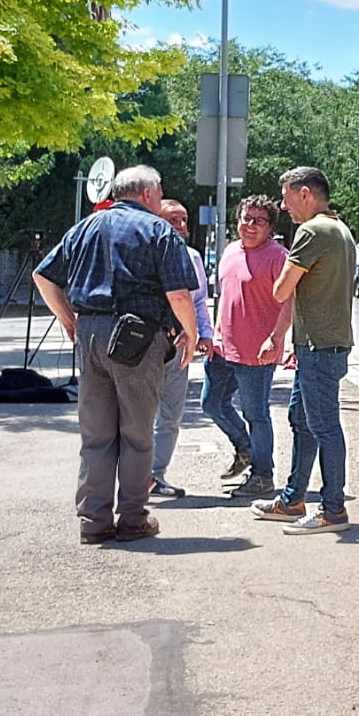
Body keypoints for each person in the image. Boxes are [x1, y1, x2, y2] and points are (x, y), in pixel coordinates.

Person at [32, 166, 199, 544]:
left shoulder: (85, 227)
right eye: (159, 193)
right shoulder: (159, 231)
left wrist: (70, 320)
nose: (159, 200)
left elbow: (43, 277)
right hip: (138, 337)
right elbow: (178, 294)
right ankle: (133, 518)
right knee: (138, 433)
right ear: (146, 194)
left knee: (96, 433)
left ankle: (93, 521)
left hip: (90, 333)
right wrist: (190, 333)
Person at [251, 166, 357, 535]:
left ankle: (333, 511)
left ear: (306, 194)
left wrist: (283, 279)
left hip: (319, 347)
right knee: (301, 419)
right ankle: (293, 499)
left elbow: (282, 290)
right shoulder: (341, 230)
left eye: (287, 196)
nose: (284, 205)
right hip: (321, 344)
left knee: (324, 426)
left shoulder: (312, 231)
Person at [203, 195, 290, 499]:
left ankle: (262, 475)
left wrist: (277, 338)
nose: (250, 225)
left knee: (256, 414)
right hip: (222, 348)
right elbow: (225, 299)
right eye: (245, 218)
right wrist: (212, 336)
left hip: (257, 351)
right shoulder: (228, 251)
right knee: (211, 403)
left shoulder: (278, 256)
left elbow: (290, 302)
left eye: (259, 220)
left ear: (270, 227)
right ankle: (245, 448)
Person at [147, 199, 212, 498]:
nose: (181, 226)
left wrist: (203, 334)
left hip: (178, 345)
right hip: (144, 347)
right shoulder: (143, 252)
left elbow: (198, 301)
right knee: (139, 416)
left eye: (184, 220)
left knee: (171, 415)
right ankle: (135, 477)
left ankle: (156, 475)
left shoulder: (192, 257)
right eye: (173, 220)